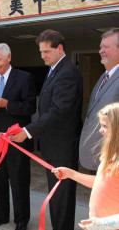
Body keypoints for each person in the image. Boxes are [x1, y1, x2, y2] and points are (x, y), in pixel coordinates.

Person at [11, 29, 83, 230]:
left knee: (61, 196)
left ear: (60, 49)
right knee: (56, 194)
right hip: (52, 144)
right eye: (40, 52)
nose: (42, 56)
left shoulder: (68, 72)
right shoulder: (54, 69)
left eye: (46, 52)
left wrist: (27, 131)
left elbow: (58, 111)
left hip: (62, 145)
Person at [0, 43, 36, 230]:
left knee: (19, 182)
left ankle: (21, 220)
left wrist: (8, 104)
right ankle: (1, 216)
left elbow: (30, 107)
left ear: (9, 57)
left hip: (17, 140)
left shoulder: (24, 78)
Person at [52, 102, 119, 230]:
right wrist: (71, 174)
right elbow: (101, 182)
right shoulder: (110, 154)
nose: (100, 130)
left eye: (105, 126)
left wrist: (101, 224)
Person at [79, 28, 119, 173]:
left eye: (106, 47)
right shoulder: (104, 76)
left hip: (113, 159)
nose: (101, 51)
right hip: (98, 156)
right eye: (101, 47)